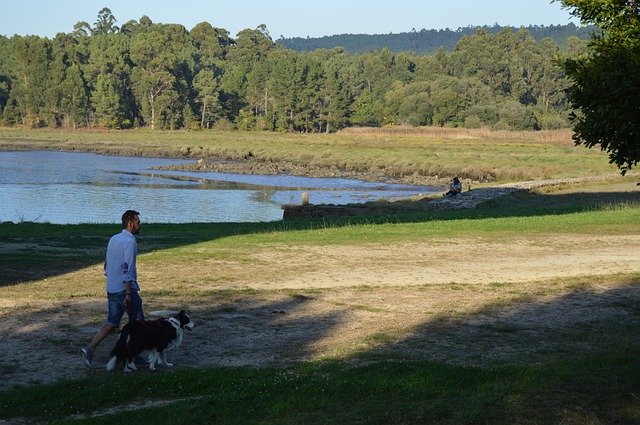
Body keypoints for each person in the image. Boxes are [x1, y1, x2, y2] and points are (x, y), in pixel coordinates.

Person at [81, 210, 145, 368]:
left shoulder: (114, 238)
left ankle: (90, 349)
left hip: (112, 288)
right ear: (130, 223)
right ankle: (133, 357)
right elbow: (127, 269)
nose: (139, 223)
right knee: (138, 323)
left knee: (112, 322)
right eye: (137, 221)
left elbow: (106, 265)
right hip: (124, 290)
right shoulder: (130, 242)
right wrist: (129, 293)